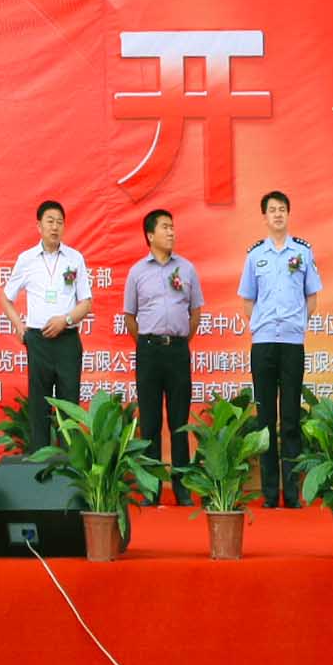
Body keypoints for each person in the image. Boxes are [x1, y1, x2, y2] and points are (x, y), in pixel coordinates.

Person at [239, 190, 320, 510]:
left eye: (282, 209)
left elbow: (312, 298)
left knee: (290, 418)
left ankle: (292, 493)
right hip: (263, 345)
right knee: (265, 419)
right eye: (272, 210)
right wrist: (263, 324)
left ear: (288, 214)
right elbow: (248, 300)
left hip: (291, 344)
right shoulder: (254, 256)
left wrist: (295, 324)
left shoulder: (303, 252)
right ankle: (270, 493)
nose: (277, 214)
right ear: (264, 217)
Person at [122, 208, 204, 506]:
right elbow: (130, 316)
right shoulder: (137, 272)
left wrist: (177, 340)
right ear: (150, 235)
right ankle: (151, 488)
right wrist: (148, 342)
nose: (171, 232)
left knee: (179, 421)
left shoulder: (187, 269)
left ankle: (181, 487)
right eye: (165, 227)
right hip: (149, 351)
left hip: (178, 350)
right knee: (151, 421)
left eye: (172, 227)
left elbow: (195, 312)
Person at [0, 200, 93, 450]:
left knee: (69, 405)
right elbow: (6, 298)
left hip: (67, 342)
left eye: (59, 222)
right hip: (38, 342)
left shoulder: (75, 258)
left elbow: (86, 303)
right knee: (39, 405)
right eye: (50, 221)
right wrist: (20, 328)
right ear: (39, 226)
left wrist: (66, 320)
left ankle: (69, 461)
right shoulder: (26, 259)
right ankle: (39, 461)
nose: (55, 227)